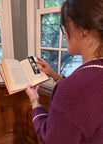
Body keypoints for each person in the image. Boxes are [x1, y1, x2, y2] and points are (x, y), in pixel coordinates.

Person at [25, 0, 103, 143]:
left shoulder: (73, 89)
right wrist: (54, 75)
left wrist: (34, 101)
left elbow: (49, 139)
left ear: (84, 28)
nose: (65, 35)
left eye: (66, 27)